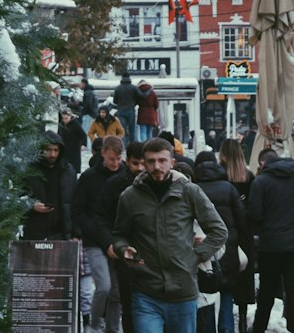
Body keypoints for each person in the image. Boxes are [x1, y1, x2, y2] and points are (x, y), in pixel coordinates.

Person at [113, 135, 227, 333]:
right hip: (146, 291)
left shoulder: (189, 192)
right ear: (144, 163)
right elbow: (119, 235)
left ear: (172, 162)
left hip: (183, 291)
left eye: (162, 160)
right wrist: (124, 249)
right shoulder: (130, 196)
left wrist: (196, 255)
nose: (157, 166)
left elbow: (219, 230)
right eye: (151, 161)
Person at [247, 148, 294, 333]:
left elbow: (254, 214)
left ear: (263, 163)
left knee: (267, 290)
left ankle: (259, 328)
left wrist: (265, 224)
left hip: (271, 244)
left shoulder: (260, 182)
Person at [193, 150, 252, 333]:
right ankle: (226, 328)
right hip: (228, 248)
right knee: (227, 289)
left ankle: (209, 327)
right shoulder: (229, 189)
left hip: (202, 249)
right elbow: (242, 221)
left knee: (207, 291)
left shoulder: (192, 188)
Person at [74, 135, 126, 333]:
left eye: (118, 159)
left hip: (117, 238)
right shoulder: (89, 177)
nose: (115, 163)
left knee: (116, 291)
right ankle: (95, 325)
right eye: (112, 158)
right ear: (103, 154)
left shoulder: (124, 176)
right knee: (104, 286)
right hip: (95, 240)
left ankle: (112, 328)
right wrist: (91, 231)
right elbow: (78, 210)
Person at [103, 140, 145, 333]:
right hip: (126, 250)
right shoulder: (115, 185)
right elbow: (103, 217)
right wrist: (112, 243)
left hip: (149, 250)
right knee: (127, 304)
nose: (140, 168)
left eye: (143, 163)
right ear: (127, 161)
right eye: (136, 163)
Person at [21, 132, 77, 241]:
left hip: (61, 232)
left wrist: (76, 233)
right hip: (35, 231)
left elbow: (76, 203)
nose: (52, 154)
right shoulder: (29, 170)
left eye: (56, 150)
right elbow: (17, 195)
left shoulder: (68, 171)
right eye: (48, 150)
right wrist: (31, 205)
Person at [59, 105, 88, 174]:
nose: (65, 120)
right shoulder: (61, 124)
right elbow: (59, 134)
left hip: (74, 148)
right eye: (63, 118)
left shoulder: (76, 124)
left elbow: (83, 135)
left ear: (70, 116)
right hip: (64, 147)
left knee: (74, 166)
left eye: (66, 118)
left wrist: (84, 144)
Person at [114, 72, 140, 144]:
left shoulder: (118, 88)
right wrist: (134, 103)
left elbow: (114, 100)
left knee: (122, 129)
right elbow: (140, 97)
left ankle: (123, 145)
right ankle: (133, 145)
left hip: (121, 110)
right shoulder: (133, 87)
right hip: (131, 110)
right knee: (132, 129)